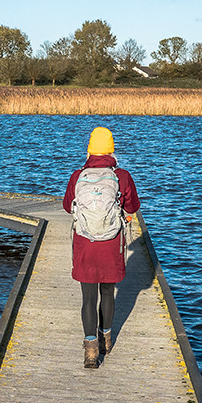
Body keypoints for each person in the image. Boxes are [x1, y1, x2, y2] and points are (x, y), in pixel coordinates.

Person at [62, 127, 140, 369]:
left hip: (85, 241)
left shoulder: (77, 176)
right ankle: (106, 339)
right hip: (110, 241)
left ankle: (91, 352)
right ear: (111, 149)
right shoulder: (122, 176)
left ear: (89, 150)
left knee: (88, 296)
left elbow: (67, 207)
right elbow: (133, 206)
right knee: (107, 292)